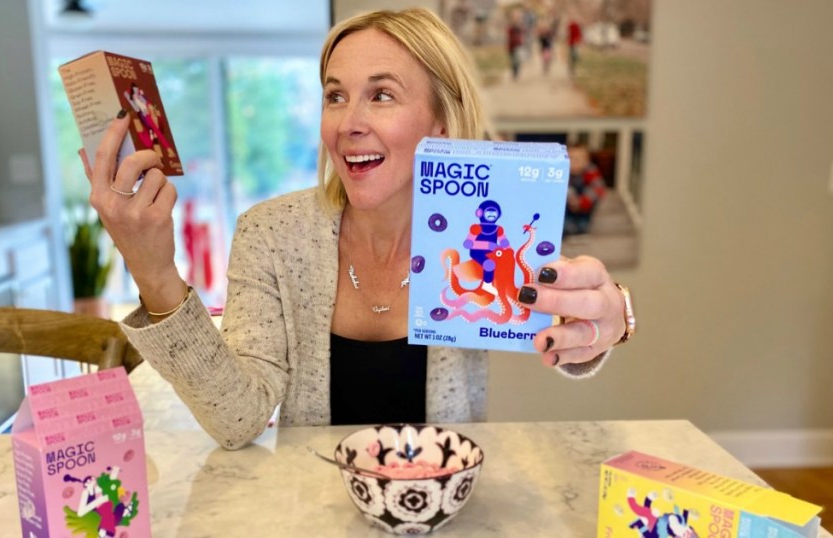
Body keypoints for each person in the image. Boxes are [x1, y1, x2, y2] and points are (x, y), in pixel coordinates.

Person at [79, 8, 634, 450]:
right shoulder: (270, 235)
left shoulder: (484, 230)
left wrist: (603, 321)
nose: (349, 123)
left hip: (445, 510)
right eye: (336, 95)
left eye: (382, 94)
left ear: (440, 121)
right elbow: (238, 419)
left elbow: (565, 323)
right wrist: (153, 272)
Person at [564, 144, 607, 235]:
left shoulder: (591, 172)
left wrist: (583, 201)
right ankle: (568, 224)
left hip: (585, 205)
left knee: (582, 226)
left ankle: (582, 224)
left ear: (587, 161)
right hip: (568, 204)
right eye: (571, 158)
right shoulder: (563, 173)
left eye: (579, 159)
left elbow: (598, 188)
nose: (575, 162)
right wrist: (571, 200)